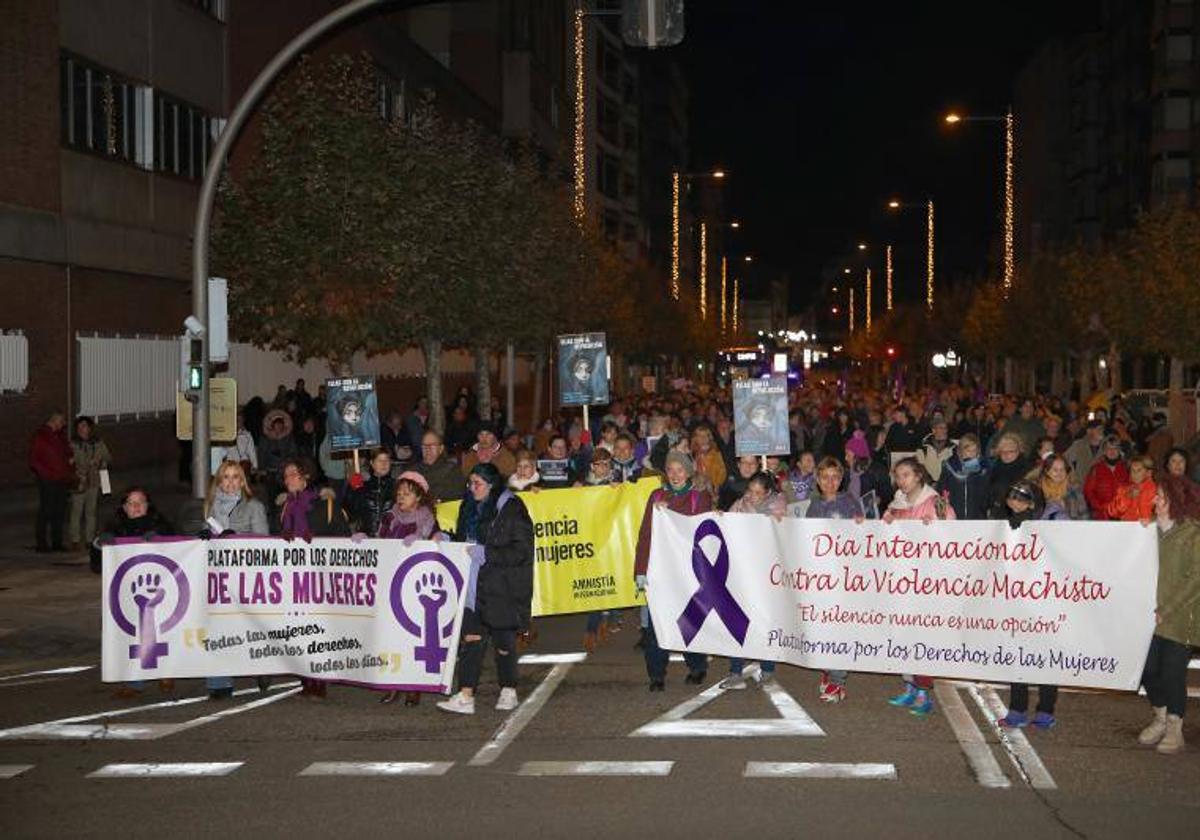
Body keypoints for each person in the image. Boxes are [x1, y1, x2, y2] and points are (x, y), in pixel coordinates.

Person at [439, 464, 534, 715]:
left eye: (477, 484)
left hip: (502, 585)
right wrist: (447, 540)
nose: (472, 489)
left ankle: (508, 689)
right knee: (471, 640)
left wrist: (488, 554)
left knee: (504, 642)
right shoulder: (467, 506)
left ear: (491, 485)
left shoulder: (511, 508)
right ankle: (466, 694)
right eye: (469, 484)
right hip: (473, 585)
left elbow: (522, 550)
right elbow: (464, 539)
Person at [633, 451, 713, 691]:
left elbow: (700, 529)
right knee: (656, 625)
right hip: (659, 572)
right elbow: (645, 534)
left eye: (680, 470)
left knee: (689, 621)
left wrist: (669, 513)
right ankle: (656, 674)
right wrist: (640, 569)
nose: (675, 474)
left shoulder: (700, 497)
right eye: (670, 470)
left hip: (688, 572)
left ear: (688, 472)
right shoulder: (656, 495)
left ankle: (697, 666)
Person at [883, 457, 955, 717]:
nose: (901, 480)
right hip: (902, 578)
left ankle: (923, 691)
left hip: (926, 579)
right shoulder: (897, 503)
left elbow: (952, 530)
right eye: (898, 475)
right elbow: (883, 532)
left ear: (918, 476)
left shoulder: (935, 500)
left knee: (922, 634)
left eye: (906, 475)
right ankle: (910, 686)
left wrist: (935, 528)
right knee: (903, 632)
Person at [276, 456, 350, 698]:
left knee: (317, 628)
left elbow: (342, 535)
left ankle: (319, 679)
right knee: (298, 628)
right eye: (286, 476)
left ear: (306, 476)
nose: (289, 479)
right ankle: (306, 678)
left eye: (294, 474)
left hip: (320, 576)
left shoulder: (323, 503)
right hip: (293, 576)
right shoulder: (285, 507)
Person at [93, 487, 177, 698]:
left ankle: (166, 672)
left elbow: (179, 551)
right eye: (131, 503)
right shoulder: (114, 529)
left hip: (160, 591)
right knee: (130, 635)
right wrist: (98, 545)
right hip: (127, 592)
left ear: (148, 506)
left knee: (162, 633)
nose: (137, 506)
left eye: (141, 502)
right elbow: (96, 566)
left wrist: (161, 540)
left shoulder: (162, 526)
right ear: (124, 507)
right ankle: (133, 682)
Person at [1137, 481, 1200, 754]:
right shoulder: (1150, 531)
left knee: (1172, 672)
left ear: (1175, 500)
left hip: (1180, 616)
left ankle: (1175, 727)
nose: (1155, 501)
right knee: (1147, 668)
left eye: (1161, 497)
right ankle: (1160, 716)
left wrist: (1168, 608)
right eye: (1156, 497)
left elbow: (1196, 578)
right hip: (1150, 615)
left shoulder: (1192, 534)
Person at [201, 461, 269, 700]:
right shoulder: (210, 508)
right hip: (219, 579)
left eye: (235, 477)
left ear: (242, 481)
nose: (230, 482)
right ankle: (219, 681)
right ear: (218, 482)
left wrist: (237, 539)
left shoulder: (254, 506)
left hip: (247, 577)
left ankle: (261, 664)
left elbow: (263, 542)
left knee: (249, 627)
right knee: (219, 627)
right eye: (225, 477)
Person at [996, 480, 1060, 730]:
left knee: (1045, 656)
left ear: (1032, 502)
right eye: (1013, 497)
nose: (1016, 502)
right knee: (1018, 656)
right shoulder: (1003, 524)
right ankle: (1018, 709)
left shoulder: (1045, 526)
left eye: (1022, 499)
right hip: (1015, 601)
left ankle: (1046, 709)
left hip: (1043, 601)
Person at [378, 470, 442, 707]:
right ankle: (393, 684)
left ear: (419, 497)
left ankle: (414, 687)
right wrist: (364, 542)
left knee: (413, 638)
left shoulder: (426, 518)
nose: (401, 497)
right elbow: (379, 542)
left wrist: (427, 540)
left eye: (407, 493)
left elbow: (438, 542)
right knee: (393, 638)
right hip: (390, 582)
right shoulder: (389, 517)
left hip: (415, 586)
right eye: (399, 492)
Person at [717, 472, 786, 691]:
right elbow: (727, 528)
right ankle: (735, 671)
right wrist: (720, 517)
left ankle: (767, 669)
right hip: (742, 572)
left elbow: (783, 535)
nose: (753, 497)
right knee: (737, 620)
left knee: (764, 622)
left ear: (767, 493)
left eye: (759, 493)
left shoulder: (778, 508)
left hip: (765, 575)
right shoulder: (739, 505)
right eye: (751, 491)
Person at [805, 457, 864, 702]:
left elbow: (863, 534)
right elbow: (805, 536)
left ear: (841, 480)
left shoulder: (850, 502)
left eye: (835, 477)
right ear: (818, 480)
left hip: (843, 576)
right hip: (821, 576)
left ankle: (838, 682)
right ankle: (828, 671)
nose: (830, 482)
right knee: (823, 626)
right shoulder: (814, 505)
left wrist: (862, 524)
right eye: (825, 477)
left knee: (839, 626)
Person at [29, 411, 74, 553]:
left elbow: (66, 452)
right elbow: (34, 460)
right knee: (46, 510)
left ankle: (57, 542)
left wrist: (69, 461)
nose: (64, 424)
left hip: (61, 478)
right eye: (62, 422)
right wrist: (45, 474)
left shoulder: (60, 436)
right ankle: (41, 543)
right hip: (48, 480)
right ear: (55, 420)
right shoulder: (41, 436)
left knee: (59, 511)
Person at [68, 416, 112, 552]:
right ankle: (75, 539)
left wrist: (100, 462)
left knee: (91, 512)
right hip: (79, 482)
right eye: (79, 427)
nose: (82, 429)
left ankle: (89, 539)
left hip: (94, 481)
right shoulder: (72, 444)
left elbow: (108, 457)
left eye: (85, 426)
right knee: (76, 511)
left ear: (90, 428)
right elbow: (68, 461)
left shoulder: (98, 443)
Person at [937, 433, 990, 520]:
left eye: (975, 451)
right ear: (961, 450)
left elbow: (987, 494)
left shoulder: (983, 467)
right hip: (954, 515)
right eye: (968, 450)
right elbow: (941, 489)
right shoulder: (950, 466)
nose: (972, 454)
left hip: (977, 516)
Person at [344, 448, 395, 537]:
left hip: (391, 539)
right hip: (367, 539)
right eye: (380, 460)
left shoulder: (398, 487)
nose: (384, 464)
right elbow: (350, 512)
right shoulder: (363, 488)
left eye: (387, 460)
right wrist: (352, 489)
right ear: (372, 463)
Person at [986, 432, 1032, 519]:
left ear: (1019, 450)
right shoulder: (995, 469)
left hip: (1020, 516)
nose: (1006, 455)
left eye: (1011, 451)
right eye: (1003, 452)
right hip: (998, 516)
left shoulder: (1027, 470)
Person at [1083, 436, 1129, 521]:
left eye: (1115, 448)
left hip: (1123, 515)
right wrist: (1100, 507)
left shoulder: (1126, 469)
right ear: (1104, 451)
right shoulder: (1096, 469)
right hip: (1101, 515)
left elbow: (1131, 489)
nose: (1112, 451)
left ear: (1119, 451)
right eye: (1108, 448)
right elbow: (1088, 492)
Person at [1105, 454, 1156, 522]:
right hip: (1127, 529)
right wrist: (1127, 497)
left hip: (1149, 529)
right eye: (1132, 470)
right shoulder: (1124, 490)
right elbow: (1112, 512)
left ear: (1148, 473)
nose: (1135, 473)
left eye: (1139, 470)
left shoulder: (1157, 491)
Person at [1039, 455, 1089, 521]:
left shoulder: (1074, 489)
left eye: (1062, 469)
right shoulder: (1038, 490)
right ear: (1047, 471)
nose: (1059, 473)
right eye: (1055, 470)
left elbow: (1084, 515)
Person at [1065, 419, 1106, 484]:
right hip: (1081, 487)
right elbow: (1065, 459)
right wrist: (1073, 475)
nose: (1101, 431)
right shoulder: (1079, 445)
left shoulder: (1107, 446)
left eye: (1102, 429)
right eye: (1098, 429)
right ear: (1089, 431)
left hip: (1101, 487)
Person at [916, 417, 955, 484]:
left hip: (946, 485)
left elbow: (955, 469)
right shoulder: (923, 448)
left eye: (945, 428)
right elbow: (920, 467)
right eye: (941, 428)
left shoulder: (953, 448)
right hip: (928, 485)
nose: (944, 431)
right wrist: (931, 482)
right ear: (933, 430)